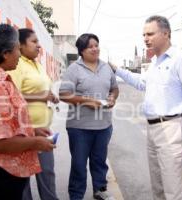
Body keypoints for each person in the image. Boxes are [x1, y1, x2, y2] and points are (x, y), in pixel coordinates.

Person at [109, 15, 182, 200]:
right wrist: (116, 69)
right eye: (143, 35)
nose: (145, 38)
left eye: (150, 34)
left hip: (172, 129)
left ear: (166, 33)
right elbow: (140, 83)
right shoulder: (155, 62)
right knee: (159, 185)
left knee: (177, 188)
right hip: (153, 130)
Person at [0, 24, 55, 200]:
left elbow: (6, 123)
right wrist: (35, 142)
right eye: (16, 49)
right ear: (5, 53)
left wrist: (32, 131)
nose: (19, 55)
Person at [59, 33, 119, 200]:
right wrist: (85, 101)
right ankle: (76, 195)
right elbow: (64, 94)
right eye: (90, 46)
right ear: (82, 51)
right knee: (79, 164)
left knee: (99, 161)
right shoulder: (73, 69)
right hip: (79, 128)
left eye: (96, 45)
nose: (95, 49)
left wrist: (113, 97)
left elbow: (114, 88)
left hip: (104, 126)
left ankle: (100, 190)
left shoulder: (106, 67)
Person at [8, 28, 59, 200]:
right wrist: (41, 96)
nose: (39, 46)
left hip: (42, 129)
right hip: (24, 131)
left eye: (39, 42)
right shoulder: (17, 65)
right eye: (34, 42)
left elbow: (40, 90)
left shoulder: (37, 64)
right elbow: (11, 95)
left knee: (47, 173)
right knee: (24, 177)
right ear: (20, 46)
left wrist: (49, 95)